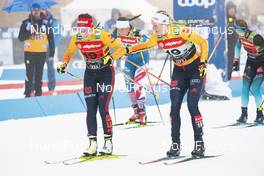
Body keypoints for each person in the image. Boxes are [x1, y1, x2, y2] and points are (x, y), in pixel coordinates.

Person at [119, 11, 209, 158]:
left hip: (195, 68)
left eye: (156, 26)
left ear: (165, 24)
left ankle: (199, 142)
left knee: (192, 105)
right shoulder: (157, 36)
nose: (154, 29)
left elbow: (203, 42)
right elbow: (146, 45)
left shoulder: (180, 30)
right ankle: (175, 144)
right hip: (179, 71)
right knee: (174, 108)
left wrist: (204, 62)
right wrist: (128, 49)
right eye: (153, 26)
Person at [57, 13, 126, 156]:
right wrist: (64, 64)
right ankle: (92, 144)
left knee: (103, 108)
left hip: (105, 74)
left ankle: (108, 142)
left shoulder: (102, 35)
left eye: (85, 30)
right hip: (90, 74)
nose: (83, 33)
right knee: (90, 109)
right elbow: (68, 53)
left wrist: (111, 57)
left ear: (91, 27)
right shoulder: (77, 38)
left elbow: (121, 48)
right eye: (80, 29)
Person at [112, 16, 149, 125]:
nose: (121, 32)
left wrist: (141, 38)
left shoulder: (138, 32)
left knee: (138, 85)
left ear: (128, 27)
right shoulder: (116, 33)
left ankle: (142, 113)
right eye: (119, 30)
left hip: (141, 60)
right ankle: (136, 112)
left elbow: (149, 41)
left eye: (123, 29)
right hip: (129, 61)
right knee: (129, 85)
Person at [18, 3, 55, 97]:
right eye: (34, 10)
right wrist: (29, 34)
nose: (36, 12)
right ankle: (27, 93)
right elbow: (20, 38)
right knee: (29, 75)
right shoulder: (26, 23)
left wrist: (52, 54)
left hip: (41, 53)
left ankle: (38, 94)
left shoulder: (45, 23)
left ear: (40, 11)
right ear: (31, 11)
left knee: (39, 75)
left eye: (37, 10)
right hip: (29, 53)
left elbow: (51, 39)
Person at [233, 19, 264, 124]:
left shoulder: (256, 37)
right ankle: (244, 114)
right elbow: (237, 46)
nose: (236, 32)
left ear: (242, 29)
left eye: (236, 30)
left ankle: (260, 115)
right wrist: (236, 61)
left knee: (255, 88)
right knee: (245, 88)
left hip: (261, 63)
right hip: (250, 63)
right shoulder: (241, 37)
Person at [40, 8, 62, 92]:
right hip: (39, 49)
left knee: (50, 68)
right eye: (40, 11)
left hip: (49, 49)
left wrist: (52, 47)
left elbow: (58, 35)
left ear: (47, 11)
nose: (41, 12)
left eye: (43, 10)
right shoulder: (38, 21)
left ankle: (51, 87)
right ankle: (36, 86)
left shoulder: (53, 21)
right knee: (37, 69)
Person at [226, 1, 238, 80]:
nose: (232, 11)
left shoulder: (235, 20)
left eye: (233, 9)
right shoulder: (224, 19)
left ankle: (229, 77)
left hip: (233, 44)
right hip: (225, 43)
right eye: (230, 9)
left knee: (231, 60)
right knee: (227, 60)